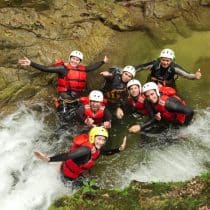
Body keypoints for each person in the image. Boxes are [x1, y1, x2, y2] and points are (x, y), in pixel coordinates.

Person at [34, 126, 126, 181]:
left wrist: (119, 149)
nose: (101, 142)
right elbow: (68, 156)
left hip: (78, 171)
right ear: (93, 138)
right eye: (99, 139)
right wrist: (49, 159)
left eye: (103, 140)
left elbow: (106, 152)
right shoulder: (86, 150)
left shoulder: (96, 147)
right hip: (68, 176)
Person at [18, 50, 108, 102]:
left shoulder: (83, 69)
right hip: (65, 97)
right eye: (73, 58)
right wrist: (31, 63)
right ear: (70, 58)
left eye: (77, 60)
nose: (74, 61)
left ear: (80, 62)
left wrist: (102, 62)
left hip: (77, 97)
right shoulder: (62, 68)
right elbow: (45, 68)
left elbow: (93, 67)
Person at [128, 82, 194, 133]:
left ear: (157, 92)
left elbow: (190, 111)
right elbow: (152, 117)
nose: (150, 98)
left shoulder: (168, 103)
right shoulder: (147, 101)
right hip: (167, 121)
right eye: (147, 96)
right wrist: (140, 127)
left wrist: (185, 129)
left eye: (152, 94)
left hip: (181, 122)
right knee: (145, 131)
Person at [135, 48, 202, 87]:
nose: (165, 62)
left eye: (167, 61)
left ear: (171, 61)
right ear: (160, 59)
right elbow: (141, 67)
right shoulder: (154, 64)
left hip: (168, 84)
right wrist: (129, 71)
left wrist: (195, 76)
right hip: (153, 81)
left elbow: (186, 75)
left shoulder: (174, 67)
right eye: (163, 60)